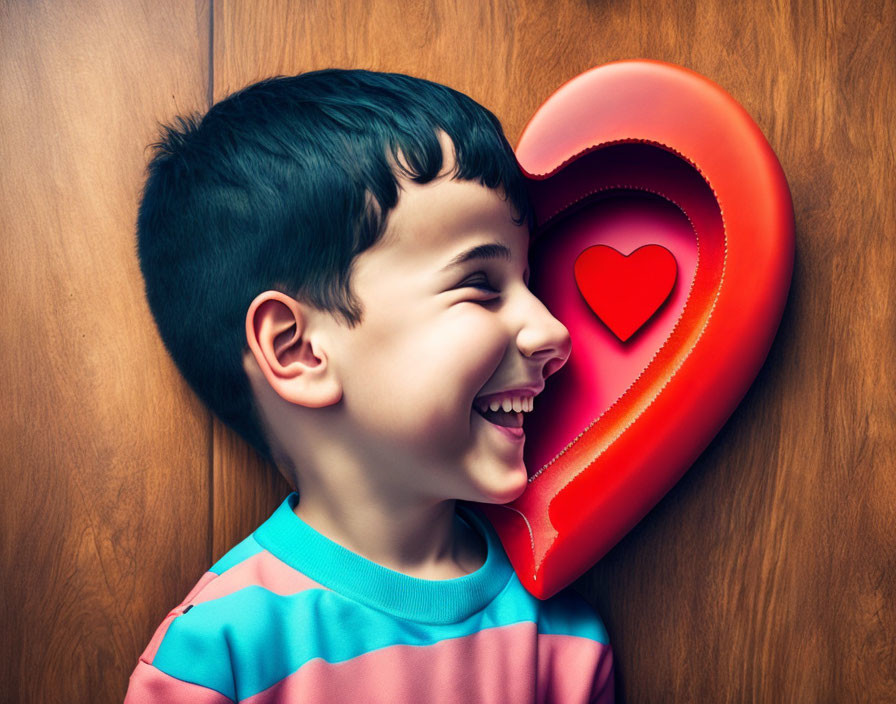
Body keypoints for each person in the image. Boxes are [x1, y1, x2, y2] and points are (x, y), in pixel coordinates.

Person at [125, 68, 615, 703]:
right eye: (481, 285)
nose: (553, 331)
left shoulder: (566, 649)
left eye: (531, 283)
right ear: (297, 349)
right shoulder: (216, 659)